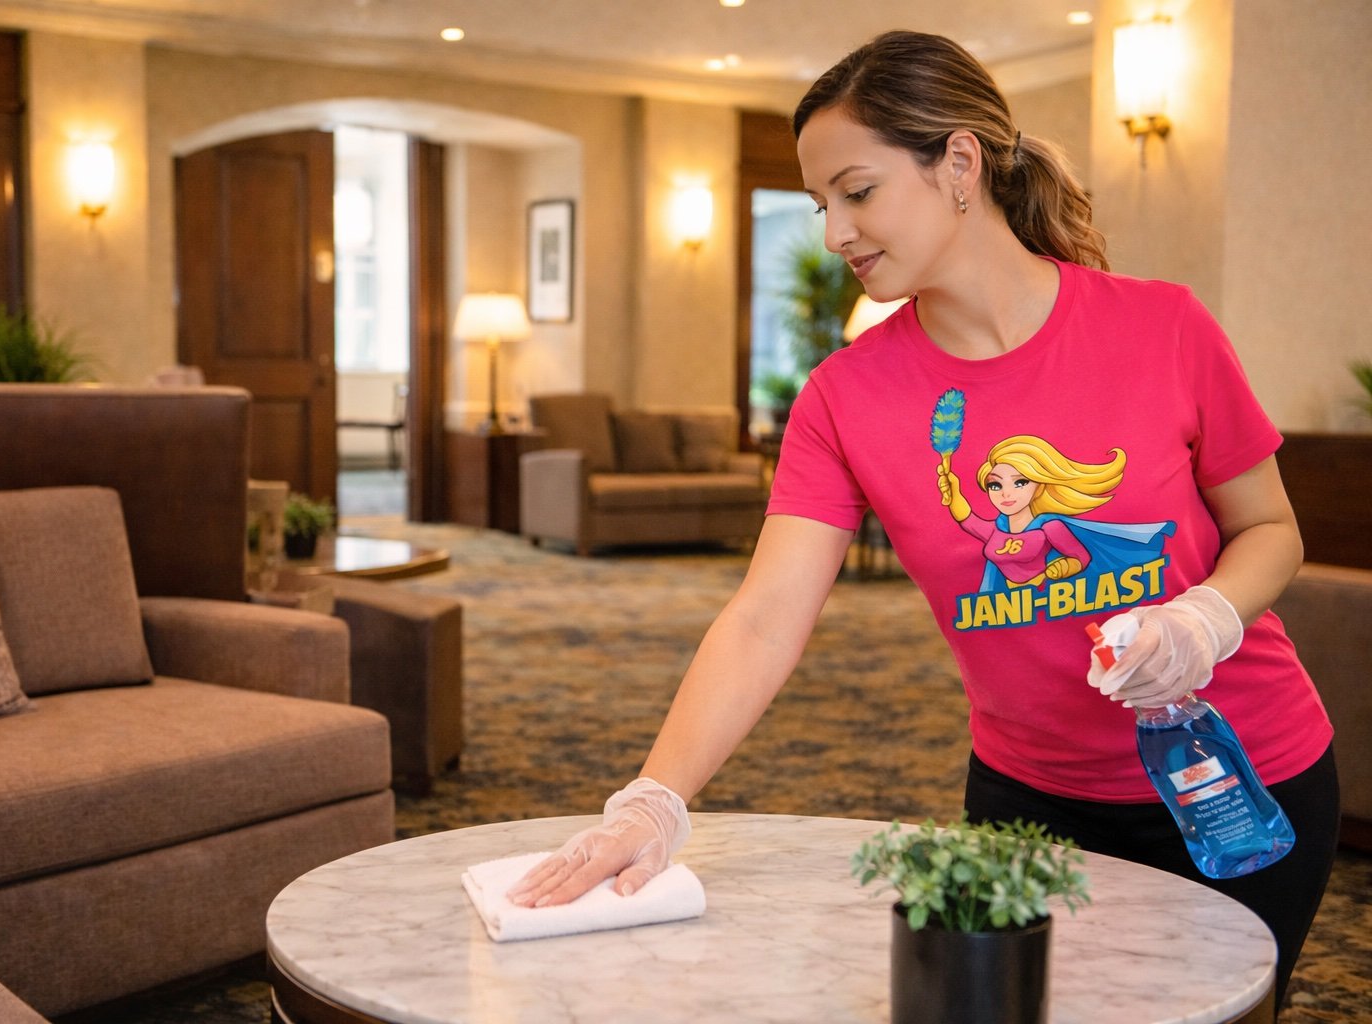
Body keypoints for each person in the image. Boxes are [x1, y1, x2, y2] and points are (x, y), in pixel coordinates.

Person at [508, 30, 1338, 1013]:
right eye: (821, 205)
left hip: (1245, 776)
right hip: (1029, 807)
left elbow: (1270, 529)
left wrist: (1204, 618)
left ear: (958, 164)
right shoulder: (844, 397)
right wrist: (655, 798)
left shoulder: (1163, 327)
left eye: (856, 193)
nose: (833, 233)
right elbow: (766, 616)